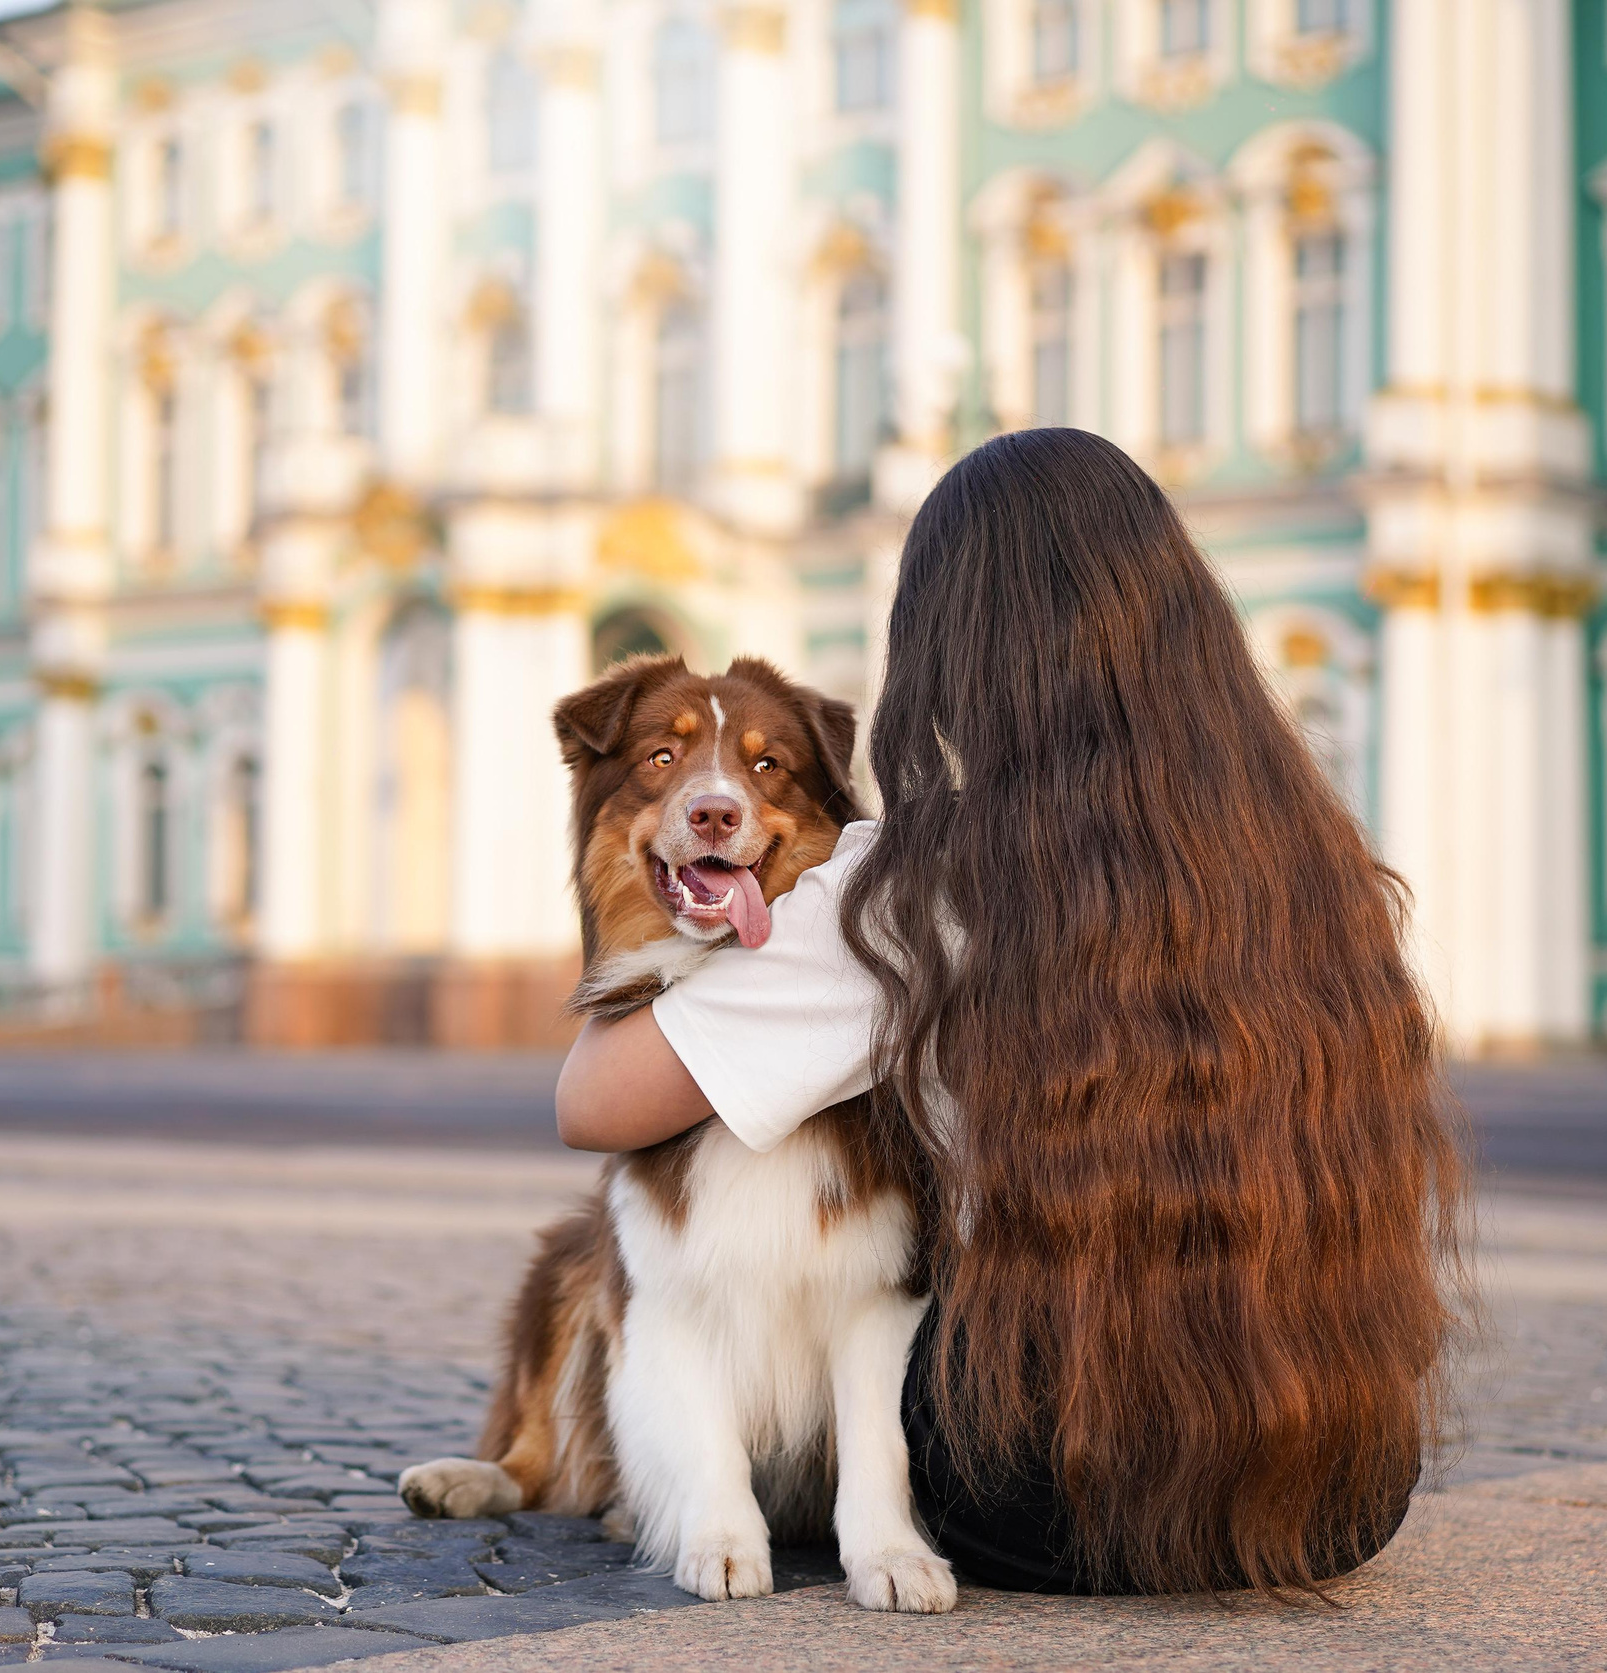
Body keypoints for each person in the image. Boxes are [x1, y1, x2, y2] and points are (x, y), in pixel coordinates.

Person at [556, 427, 1469, 1598]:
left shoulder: (904, 891)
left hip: (1049, 1476)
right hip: (1341, 1470)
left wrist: (643, 922)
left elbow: (595, 1103)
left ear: (948, 652)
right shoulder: (1306, 862)